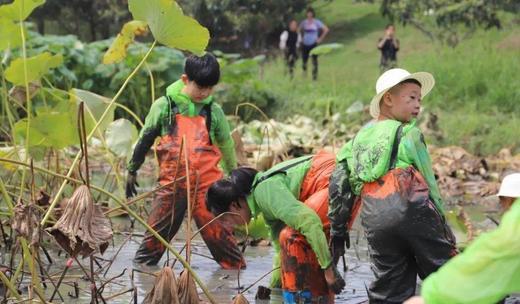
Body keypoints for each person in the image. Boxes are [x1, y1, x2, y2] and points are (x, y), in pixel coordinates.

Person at [330, 68, 458, 303]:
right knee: (446, 273)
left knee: (389, 284)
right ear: (388, 99)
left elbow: (339, 185)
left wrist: (338, 230)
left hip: (375, 218)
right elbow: (429, 182)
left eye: (420, 99)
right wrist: (443, 224)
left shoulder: (356, 139)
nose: (418, 105)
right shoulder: (409, 133)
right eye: (411, 98)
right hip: (413, 212)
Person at [125, 53, 244, 268]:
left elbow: (226, 145)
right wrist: (132, 169)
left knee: (225, 247)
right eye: (200, 87)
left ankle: (234, 288)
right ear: (185, 80)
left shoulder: (213, 111)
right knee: (149, 250)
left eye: (210, 88)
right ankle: (145, 282)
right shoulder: (163, 107)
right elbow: (145, 139)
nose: (204, 93)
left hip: (206, 188)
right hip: (172, 186)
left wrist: (233, 176)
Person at [206, 151, 346, 303]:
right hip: (330, 180)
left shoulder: (264, 192)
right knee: (290, 243)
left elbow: (309, 221)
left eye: (225, 219)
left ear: (234, 205)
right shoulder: (264, 203)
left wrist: (328, 269)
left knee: (291, 237)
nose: (229, 226)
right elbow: (281, 253)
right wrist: (273, 290)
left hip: (335, 179)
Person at [404, 173, 520, 304]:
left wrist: (432, 295)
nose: (502, 207)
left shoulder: (514, 230)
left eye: (502, 201)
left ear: (510, 200)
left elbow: (484, 264)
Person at [300, 7, 329, 80]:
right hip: (305, 43)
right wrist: (301, 38)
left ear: (313, 14)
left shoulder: (317, 22)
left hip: (313, 43)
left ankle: (314, 77)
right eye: (308, 13)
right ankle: (304, 75)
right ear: (306, 14)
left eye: (310, 13)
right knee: (304, 61)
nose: (309, 14)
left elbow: (326, 29)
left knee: (314, 61)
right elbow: (298, 29)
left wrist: (320, 38)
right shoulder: (304, 22)